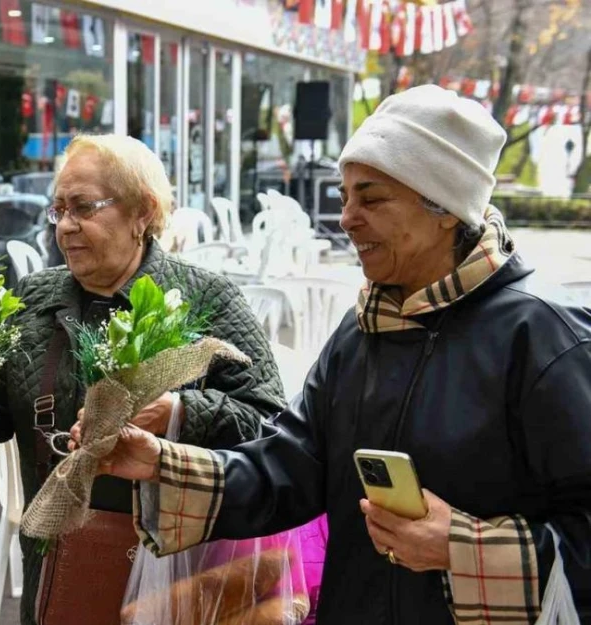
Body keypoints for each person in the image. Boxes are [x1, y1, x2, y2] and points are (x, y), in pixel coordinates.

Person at [88, 86, 591, 623]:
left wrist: (464, 547)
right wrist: (163, 463)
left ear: (446, 209)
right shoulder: (360, 333)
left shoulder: (545, 338)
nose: (347, 217)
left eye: (371, 198)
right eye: (345, 195)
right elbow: (291, 469)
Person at [0, 134, 286, 624]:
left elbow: (271, 422)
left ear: (143, 211)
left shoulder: (208, 299)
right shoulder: (36, 297)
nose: (66, 227)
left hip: (177, 568)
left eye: (83, 207)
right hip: (60, 562)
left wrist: (178, 413)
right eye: (59, 211)